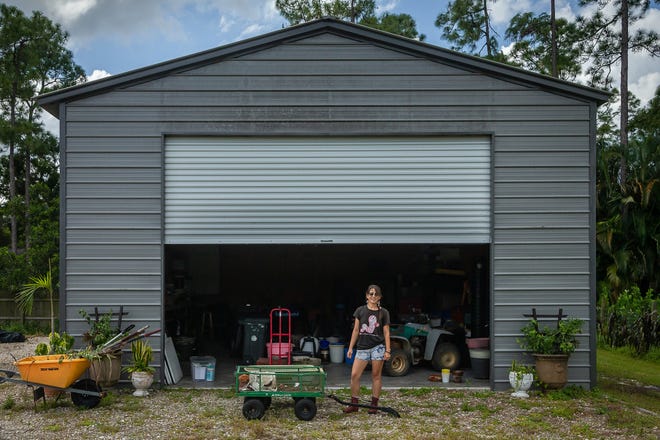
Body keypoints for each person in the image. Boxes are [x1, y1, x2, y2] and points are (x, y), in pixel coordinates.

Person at [343, 284, 391, 414]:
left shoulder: (384, 312)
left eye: (376, 294)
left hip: (378, 347)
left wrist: (388, 350)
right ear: (366, 295)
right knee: (354, 375)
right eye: (371, 294)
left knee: (376, 376)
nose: (373, 296)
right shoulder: (360, 311)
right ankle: (354, 404)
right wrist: (351, 347)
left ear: (380, 297)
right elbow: (356, 330)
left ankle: (374, 405)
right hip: (362, 347)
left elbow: (386, 332)